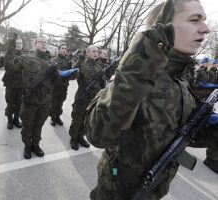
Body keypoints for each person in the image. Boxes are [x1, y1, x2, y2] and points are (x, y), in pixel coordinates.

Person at [85, 0, 217, 199]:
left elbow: (184, 132)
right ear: (163, 28)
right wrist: (144, 56)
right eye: (194, 20)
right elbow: (98, 134)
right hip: (116, 192)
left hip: (155, 190)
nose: (205, 29)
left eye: (204, 21)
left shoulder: (179, 80)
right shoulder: (137, 77)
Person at [14, 36, 54, 159]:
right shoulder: (26, 59)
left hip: (45, 101)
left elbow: (56, 80)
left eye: (45, 43)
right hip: (30, 101)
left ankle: (35, 145)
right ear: (35, 44)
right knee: (27, 125)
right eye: (41, 42)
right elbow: (12, 68)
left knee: (38, 125)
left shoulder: (51, 62)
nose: (43, 45)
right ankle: (27, 146)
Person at [69, 45, 105, 151]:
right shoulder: (82, 64)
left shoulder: (100, 67)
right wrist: (79, 59)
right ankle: (73, 138)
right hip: (82, 97)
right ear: (87, 53)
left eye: (97, 52)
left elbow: (103, 83)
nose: (95, 53)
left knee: (87, 119)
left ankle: (81, 137)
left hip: (93, 98)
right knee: (77, 118)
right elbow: (72, 74)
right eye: (93, 51)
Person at [2, 33, 24, 129]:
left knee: (19, 104)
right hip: (11, 85)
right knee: (10, 104)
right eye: (17, 43)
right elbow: (8, 66)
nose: (18, 44)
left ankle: (16, 119)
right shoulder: (9, 55)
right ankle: (9, 120)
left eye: (20, 43)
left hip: (21, 85)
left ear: (22, 45)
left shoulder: (25, 57)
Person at [50, 44, 73, 126]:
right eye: (62, 48)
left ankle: (58, 116)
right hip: (55, 86)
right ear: (59, 50)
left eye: (65, 48)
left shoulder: (68, 61)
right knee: (54, 103)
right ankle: (52, 117)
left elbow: (72, 74)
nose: (64, 50)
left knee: (60, 102)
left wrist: (71, 68)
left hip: (64, 86)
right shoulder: (53, 60)